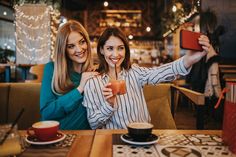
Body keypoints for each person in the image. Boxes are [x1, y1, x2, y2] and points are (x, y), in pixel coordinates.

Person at [83, 26, 211, 129]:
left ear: (126, 50)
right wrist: (109, 104)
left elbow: (159, 72)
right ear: (101, 50)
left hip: (142, 138)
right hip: (111, 141)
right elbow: (93, 123)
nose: (115, 54)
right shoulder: (93, 83)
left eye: (120, 48)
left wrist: (188, 60)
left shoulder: (135, 72)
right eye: (109, 48)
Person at [40, 20, 98, 130]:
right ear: (63, 50)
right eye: (71, 46)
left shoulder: (94, 72)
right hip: (54, 136)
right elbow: (47, 113)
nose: (79, 49)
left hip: (84, 138)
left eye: (82, 42)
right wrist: (80, 89)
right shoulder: (52, 69)